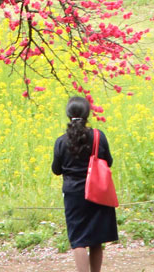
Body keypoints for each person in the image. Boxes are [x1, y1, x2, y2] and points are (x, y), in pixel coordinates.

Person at [52, 95, 118, 272]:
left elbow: (56, 170)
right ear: (88, 114)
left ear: (68, 114)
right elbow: (108, 162)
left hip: (74, 195)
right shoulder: (98, 136)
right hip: (97, 193)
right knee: (96, 238)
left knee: (78, 240)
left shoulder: (61, 141)